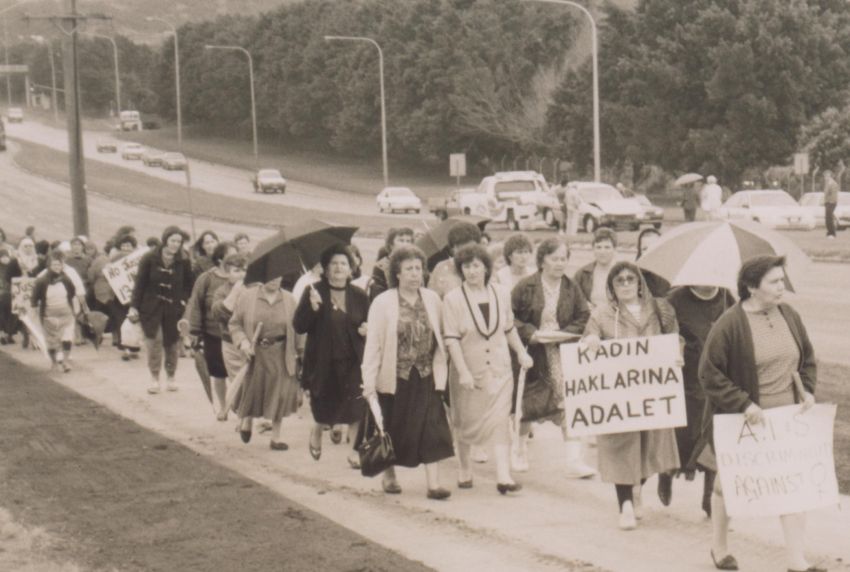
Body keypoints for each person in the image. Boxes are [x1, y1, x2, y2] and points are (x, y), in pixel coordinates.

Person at [697, 256, 819, 572]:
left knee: (794, 486)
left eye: (782, 280)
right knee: (727, 484)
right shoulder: (730, 324)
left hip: (787, 420)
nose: (783, 286)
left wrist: (807, 391)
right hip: (745, 419)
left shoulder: (789, 315)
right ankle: (719, 547)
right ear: (752, 287)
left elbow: (807, 360)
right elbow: (709, 373)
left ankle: (796, 560)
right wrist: (743, 404)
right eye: (775, 281)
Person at [582, 261, 681, 530]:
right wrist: (590, 340)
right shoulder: (602, 314)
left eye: (630, 279)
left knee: (650, 446)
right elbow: (588, 339)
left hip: (651, 394)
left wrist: (676, 356)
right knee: (620, 447)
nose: (625, 284)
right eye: (619, 281)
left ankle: (637, 487)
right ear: (611, 286)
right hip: (618, 396)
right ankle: (624, 503)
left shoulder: (660, 309)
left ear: (639, 283)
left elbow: (675, 339)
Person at [361, 245, 453, 499]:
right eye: (408, 269)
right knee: (393, 426)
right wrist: (368, 382)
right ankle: (389, 474)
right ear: (397, 274)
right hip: (395, 376)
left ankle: (433, 484)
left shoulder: (432, 299)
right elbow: (374, 346)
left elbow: (443, 336)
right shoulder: (383, 302)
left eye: (418, 268)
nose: (415, 274)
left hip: (425, 374)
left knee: (432, 428)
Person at [443, 244, 533, 494]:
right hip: (468, 370)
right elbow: (451, 339)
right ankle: (464, 468)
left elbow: (508, 328)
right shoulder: (453, 299)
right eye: (466, 267)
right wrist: (462, 372)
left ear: (485, 267)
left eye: (476, 266)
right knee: (465, 421)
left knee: (501, 421)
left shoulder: (501, 293)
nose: (471, 271)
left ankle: (504, 476)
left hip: (500, 369)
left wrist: (521, 352)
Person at [512, 238, 595, 477]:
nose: (560, 264)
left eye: (564, 259)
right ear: (542, 260)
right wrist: (531, 334)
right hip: (534, 354)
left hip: (562, 353)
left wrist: (564, 335)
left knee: (570, 401)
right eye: (554, 258)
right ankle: (519, 450)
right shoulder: (525, 287)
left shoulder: (571, 287)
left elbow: (584, 316)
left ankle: (573, 460)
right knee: (528, 404)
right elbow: (511, 318)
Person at [294, 244, 369, 467]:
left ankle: (354, 452)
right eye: (334, 264)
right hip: (323, 361)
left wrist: (366, 328)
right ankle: (316, 430)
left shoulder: (359, 295)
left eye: (343, 263)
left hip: (353, 360)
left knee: (357, 408)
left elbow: (367, 321)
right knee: (324, 408)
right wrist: (312, 309)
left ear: (351, 269)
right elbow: (299, 326)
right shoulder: (313, 292)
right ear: (325, 268)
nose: (338, 268)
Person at [665, 284, 733, 517]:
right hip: (684, 377)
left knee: (714, 435)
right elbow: (662, 330)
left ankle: (708, 497)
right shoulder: (675, 299)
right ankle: (668, 471)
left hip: (716, 377)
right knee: (684, 433)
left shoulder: (726, 297)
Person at [229, 274, 300, 451]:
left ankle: (276, 437)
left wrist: (300, 352)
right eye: (270, 275)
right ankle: (247, 420)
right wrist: (243, 342)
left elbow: (299, 328)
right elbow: (234, 324)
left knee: (280, 393)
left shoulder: (290, 299)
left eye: (278, 276)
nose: (275, 279)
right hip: (256, 352)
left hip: (281, 352)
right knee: (253, 389)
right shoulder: (248, 297)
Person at [129, 226, 193, 394]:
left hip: (173, 309)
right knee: (154, 342)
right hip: (150, 308)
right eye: (173, 240)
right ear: (165, 240)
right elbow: (139, 284)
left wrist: (183, 299)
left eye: (179, 242)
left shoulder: (184, 260)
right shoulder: (149, 258)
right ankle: (154, 378)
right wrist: (133, 306)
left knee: (172, 344)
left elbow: (189, 285)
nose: (175, 245)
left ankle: (171, 377)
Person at [182, 242, 238, 420]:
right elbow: (196, 304)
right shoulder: (206, 279)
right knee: (219, 373)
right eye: (231, 256)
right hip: (213, 334)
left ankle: (238, 407)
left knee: (237, 374)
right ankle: (223, 407)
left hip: (236, 335)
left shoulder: (243, 279)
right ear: (221, 259)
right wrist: (195, 332)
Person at [31, 251, 78, 372]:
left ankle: (66, 361)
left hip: (66, 313)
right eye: (54, 265)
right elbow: (34, 298)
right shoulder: (41, 281)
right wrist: (34, 311)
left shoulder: (66, 279)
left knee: (67, 337)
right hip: (49, 314)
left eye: (59, 265)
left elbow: (72, 292)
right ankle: (54, 363)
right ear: (49, 266)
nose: (57, 267)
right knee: (52, 341)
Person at [210, 253, 248, 383]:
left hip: (252, 341)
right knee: (238, 383)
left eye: (245, 270)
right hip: (231, 343)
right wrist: (236, 292)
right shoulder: (221, 291)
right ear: (227, 274)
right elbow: (219, 315)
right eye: (237, 271)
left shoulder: (256, 288)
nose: (242, 274)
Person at [5, 237, 45, 348]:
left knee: (35, 314)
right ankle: (27, 337)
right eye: (25, 246)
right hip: (20, 292)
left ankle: (36, 338)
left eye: (30, 246)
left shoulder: (39, 261)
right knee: (23, 315)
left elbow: (44, 274)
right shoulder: (15, 261)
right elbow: (8, 277)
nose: (28, 249)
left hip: (36, 291)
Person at [427, 222, 481, 298]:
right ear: (453, 248)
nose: (465, 253)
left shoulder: (484, 267)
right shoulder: (441, 268)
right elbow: (431, 299)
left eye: (469, 248)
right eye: (460, 248)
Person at [574, 228, 619, 310]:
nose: (602, 251)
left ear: (614, 249)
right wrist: (584, 305)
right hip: (590, 319)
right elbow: (572, 297)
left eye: (607, 247)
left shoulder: (622, 273)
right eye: (598, 247)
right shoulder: (582, 274)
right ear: (593, 249)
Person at [369, 227, 414, 302]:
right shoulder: (381, 266)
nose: (405, 244)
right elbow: (377, 295)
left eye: (408, 241)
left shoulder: (414, 264)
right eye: (401, 240)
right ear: (391, 244)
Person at [635, 228, 670, 297]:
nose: (649, 252)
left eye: (654, 247)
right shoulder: (636, 277)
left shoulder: (673, 273)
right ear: (640, 251)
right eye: (645, 249)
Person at [824, 169, 839, 239]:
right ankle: (829, 232)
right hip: (827, 202)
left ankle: (832, 233)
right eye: (825, 176)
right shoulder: (827, 184)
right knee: (827, 218)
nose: (825, 178)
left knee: (829, 218)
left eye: (827, 176)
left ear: (830, 176)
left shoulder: (833, 184)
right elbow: (826, 194)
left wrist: (831, 201)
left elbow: (833, 194)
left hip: (832, 202)